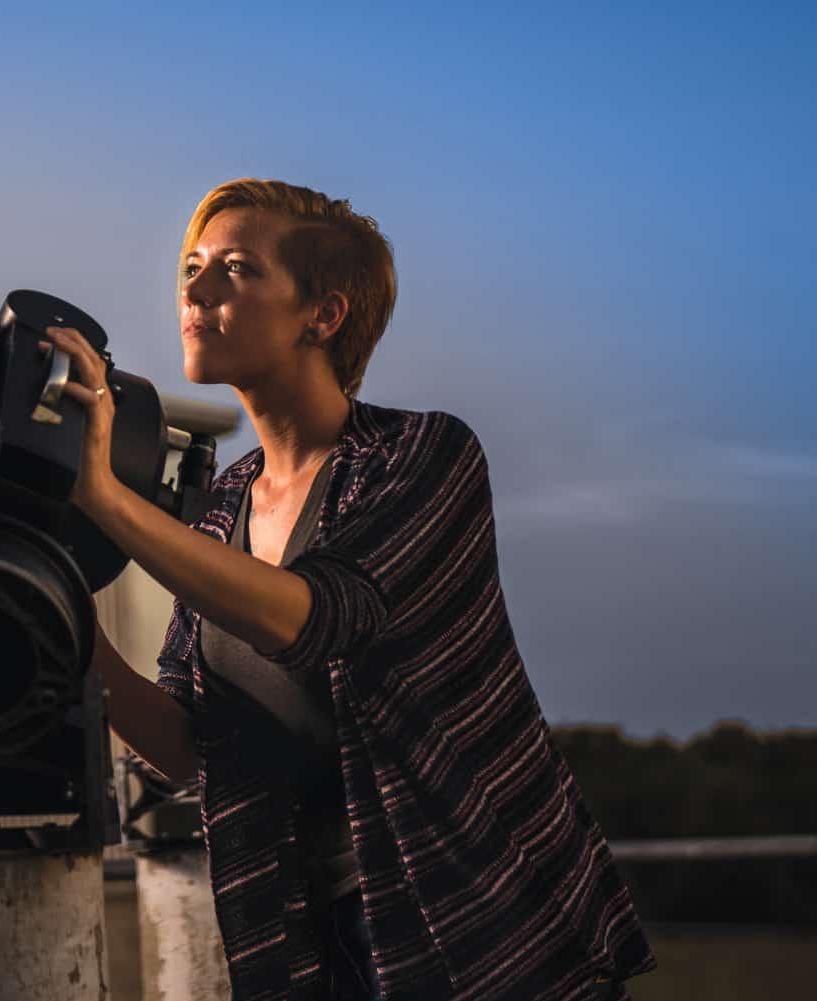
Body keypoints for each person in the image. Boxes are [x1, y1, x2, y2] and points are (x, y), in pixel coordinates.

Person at [38, 179, 655, 1000]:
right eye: (192, 265)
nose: (195, 288)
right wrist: (64, 618)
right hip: (303, 936)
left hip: (471, 923)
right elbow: (191, 744)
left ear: (322, 314)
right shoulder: (223, 508)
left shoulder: (424, 455)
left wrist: (108, 501)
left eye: (237, 269)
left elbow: (319, 615)